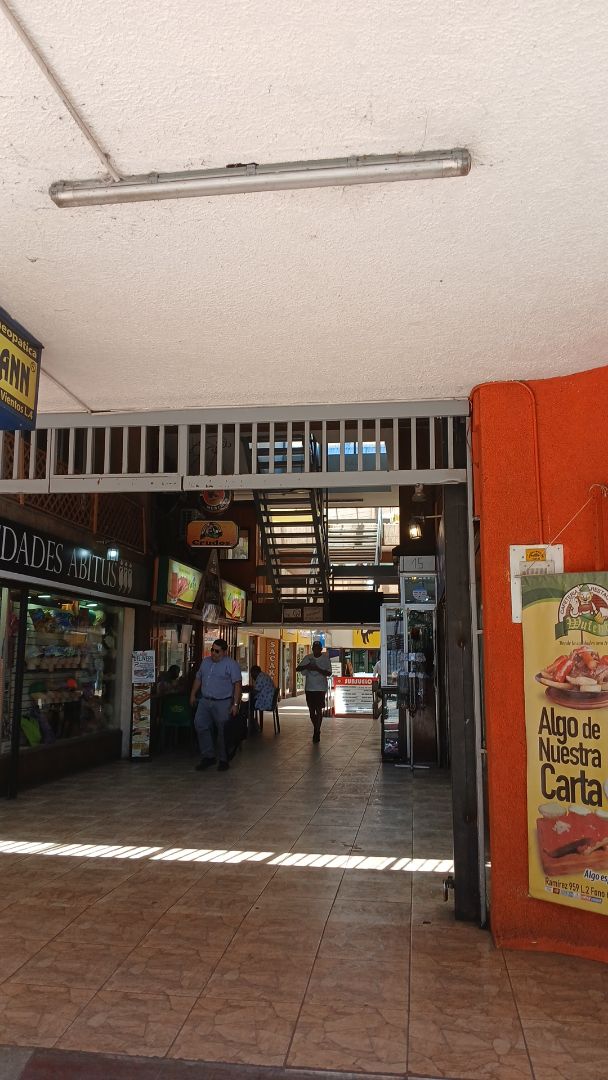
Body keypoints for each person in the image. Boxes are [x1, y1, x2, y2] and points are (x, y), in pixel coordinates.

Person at [189, 638, 242, 772]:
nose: (213, 653)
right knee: (200, 725)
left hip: (223, 702)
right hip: (205, 700)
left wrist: (235, 704)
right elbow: (198, 678)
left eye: (217, 651)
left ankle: (224, 759)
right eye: (212, 650)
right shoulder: (205, 662)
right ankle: (208, 756)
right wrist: (193, 694)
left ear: (224, 652)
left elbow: (237, 685)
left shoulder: (231, 664)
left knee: (223, 731)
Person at [297, 641, 332, 742]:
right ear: (312, 649)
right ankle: (316, 728)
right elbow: (298, 668)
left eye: (318, 648)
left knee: (319, 710)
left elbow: (329, 673)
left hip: (320, 688)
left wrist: (317, 668)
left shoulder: (325, 659)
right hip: (309, 688)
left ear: (321, 649)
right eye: (314, 648)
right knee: (311, 711)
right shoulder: (308, 657)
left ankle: (317, 731)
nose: (316, 650)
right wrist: (307, 666)